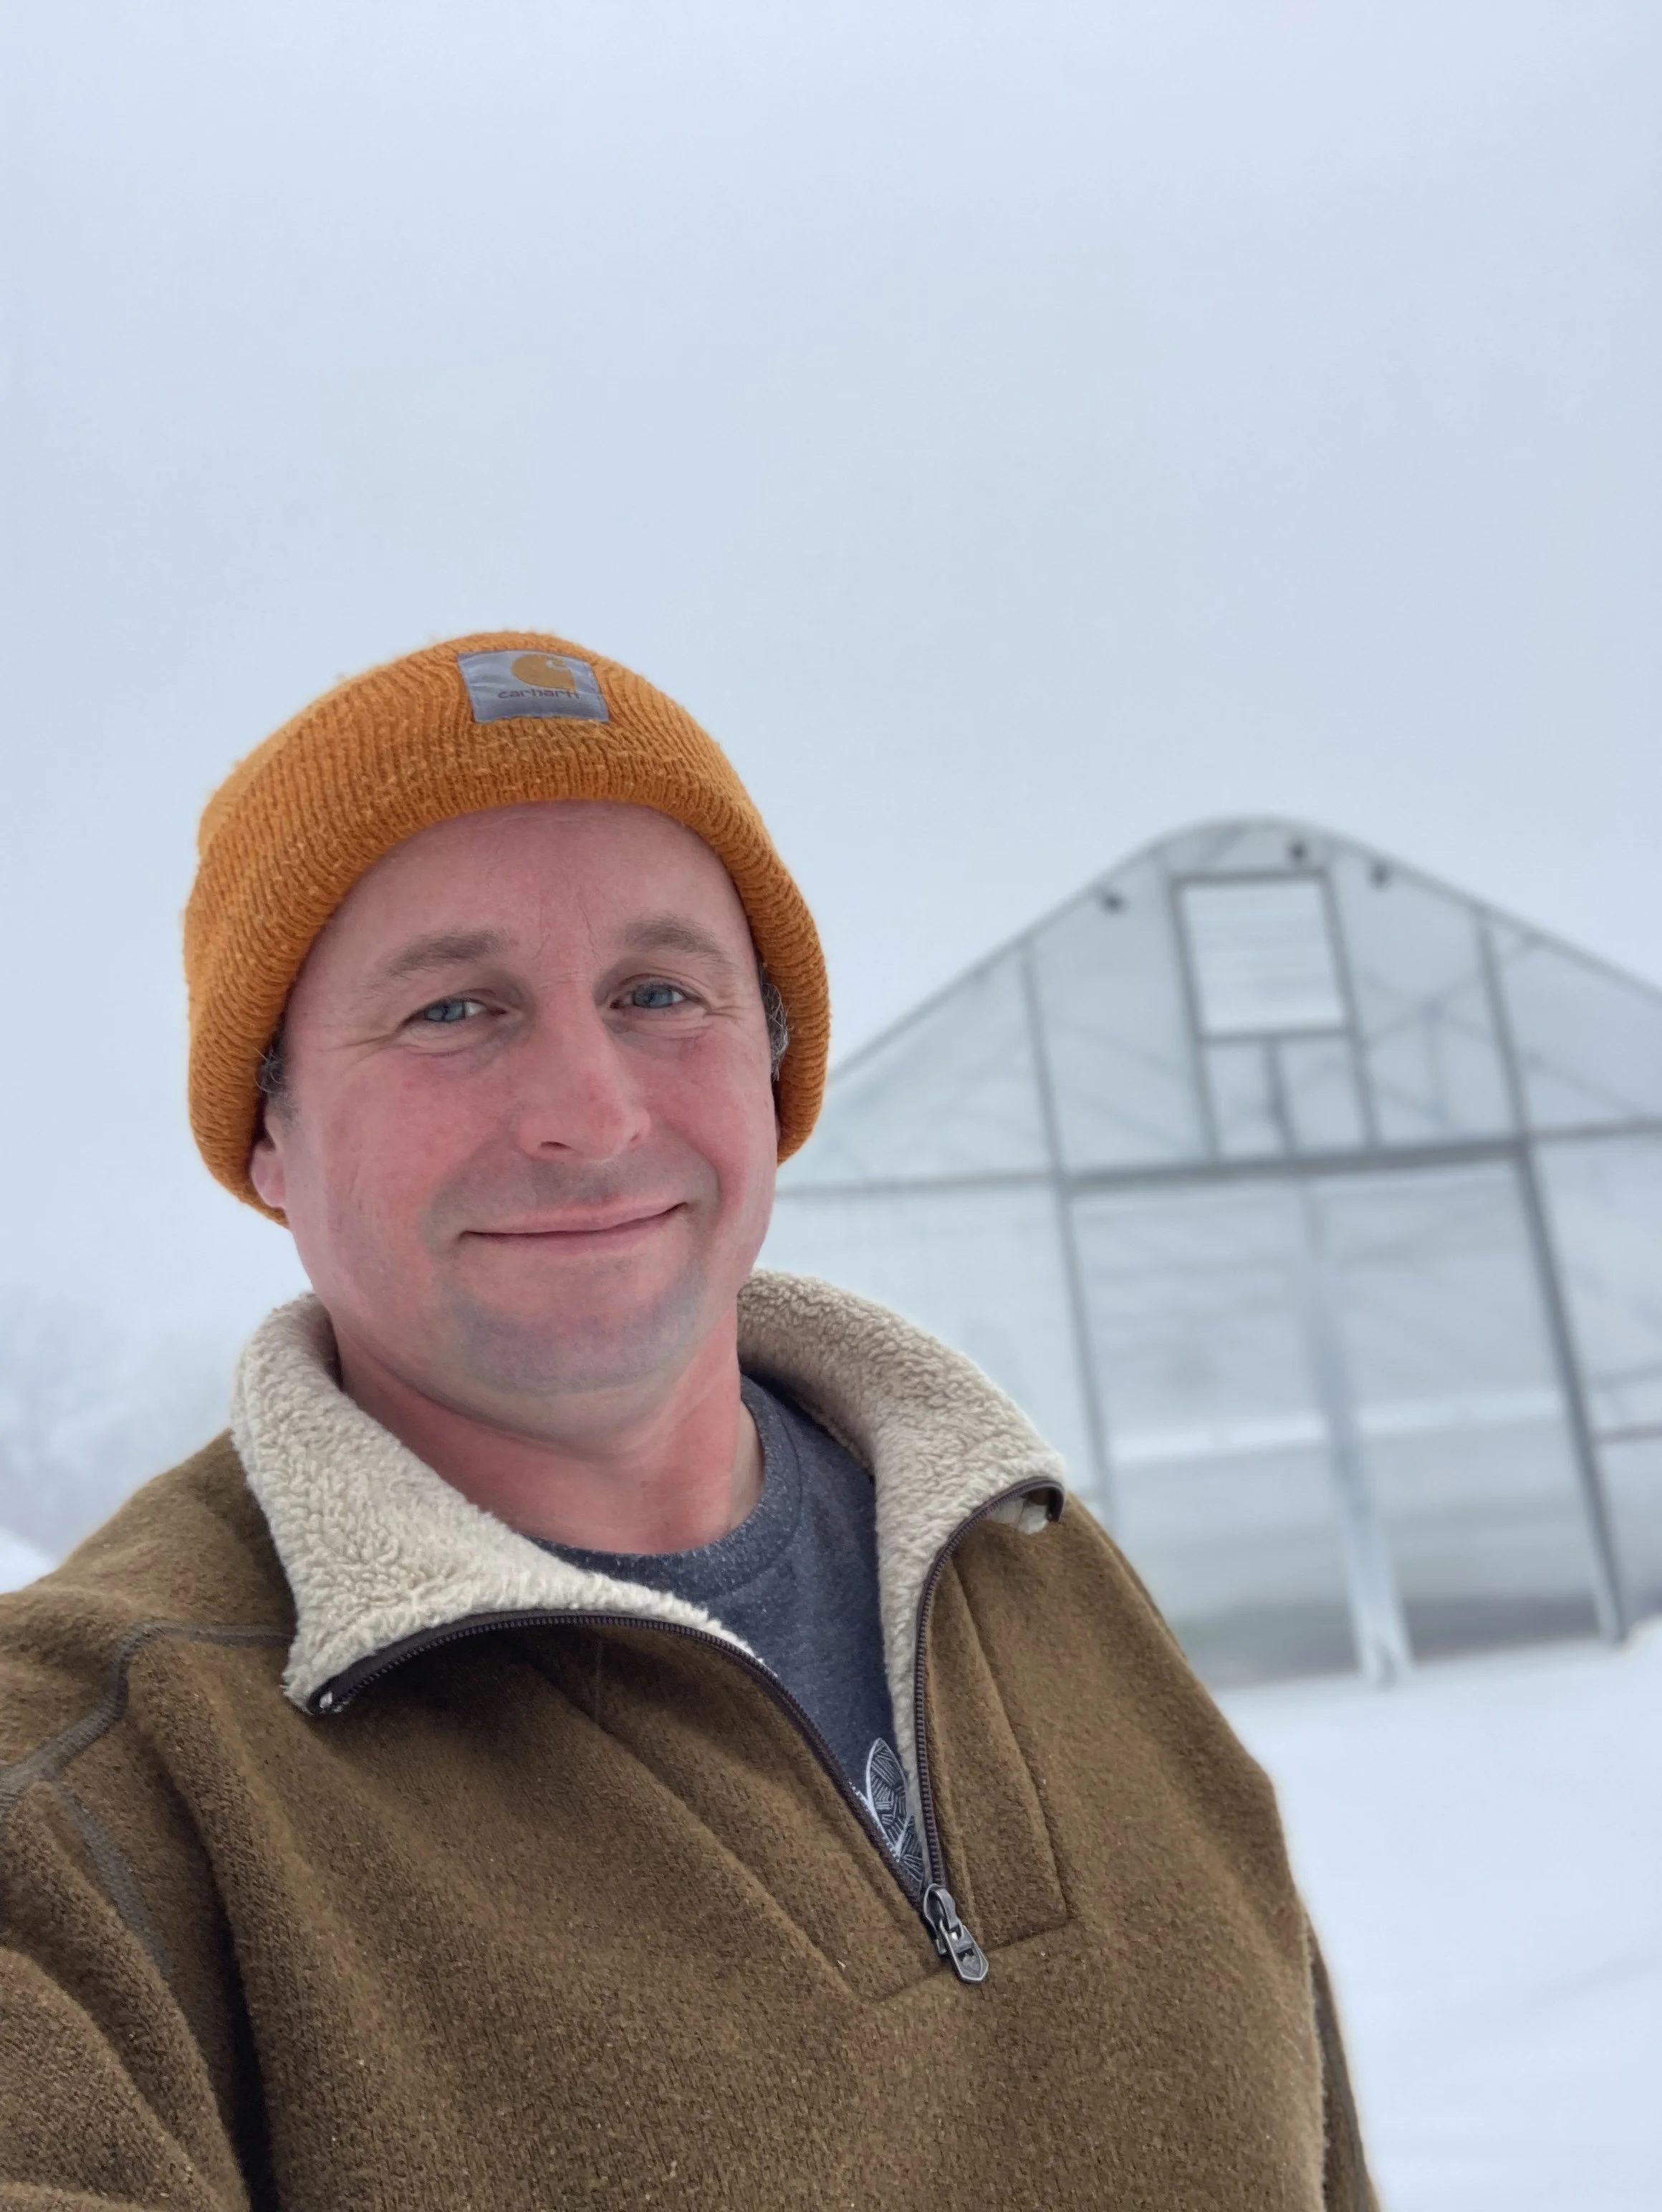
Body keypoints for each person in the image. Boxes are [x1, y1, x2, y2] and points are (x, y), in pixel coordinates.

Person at [0, 633, 1375, 2209]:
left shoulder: (1023, 1560)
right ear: (267, 1133)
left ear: (772, 1070)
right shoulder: (86, 1784)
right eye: (453, 1009)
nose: (589, 1109)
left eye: (660, 992)